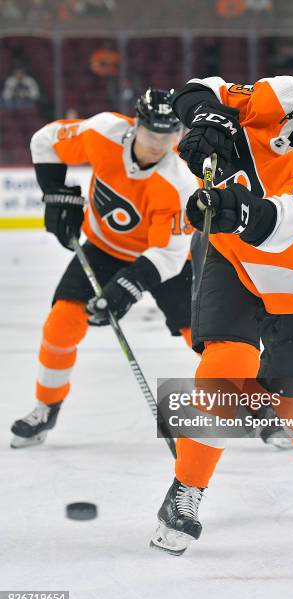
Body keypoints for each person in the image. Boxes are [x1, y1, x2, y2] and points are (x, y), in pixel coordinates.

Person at [150, 63, 293, 555]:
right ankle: (185, 492)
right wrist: (208, 118)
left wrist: (234, 209)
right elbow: (198, 89)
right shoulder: (283, 96)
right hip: (233, 262)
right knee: (226, 370)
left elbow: (282, 223)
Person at [10, 88, 198, 449]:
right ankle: (47, 408)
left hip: (162, 262)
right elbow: (45, 140)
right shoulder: (103, 132)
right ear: (136, 125)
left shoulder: (180, 181)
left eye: (169, 134)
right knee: (60, 326)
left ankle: (266, 411)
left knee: (207, 339)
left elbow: (169, 254)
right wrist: (55, 194)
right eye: (152, 132)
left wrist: (126, 289)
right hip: (102, 248)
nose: (159, 143)